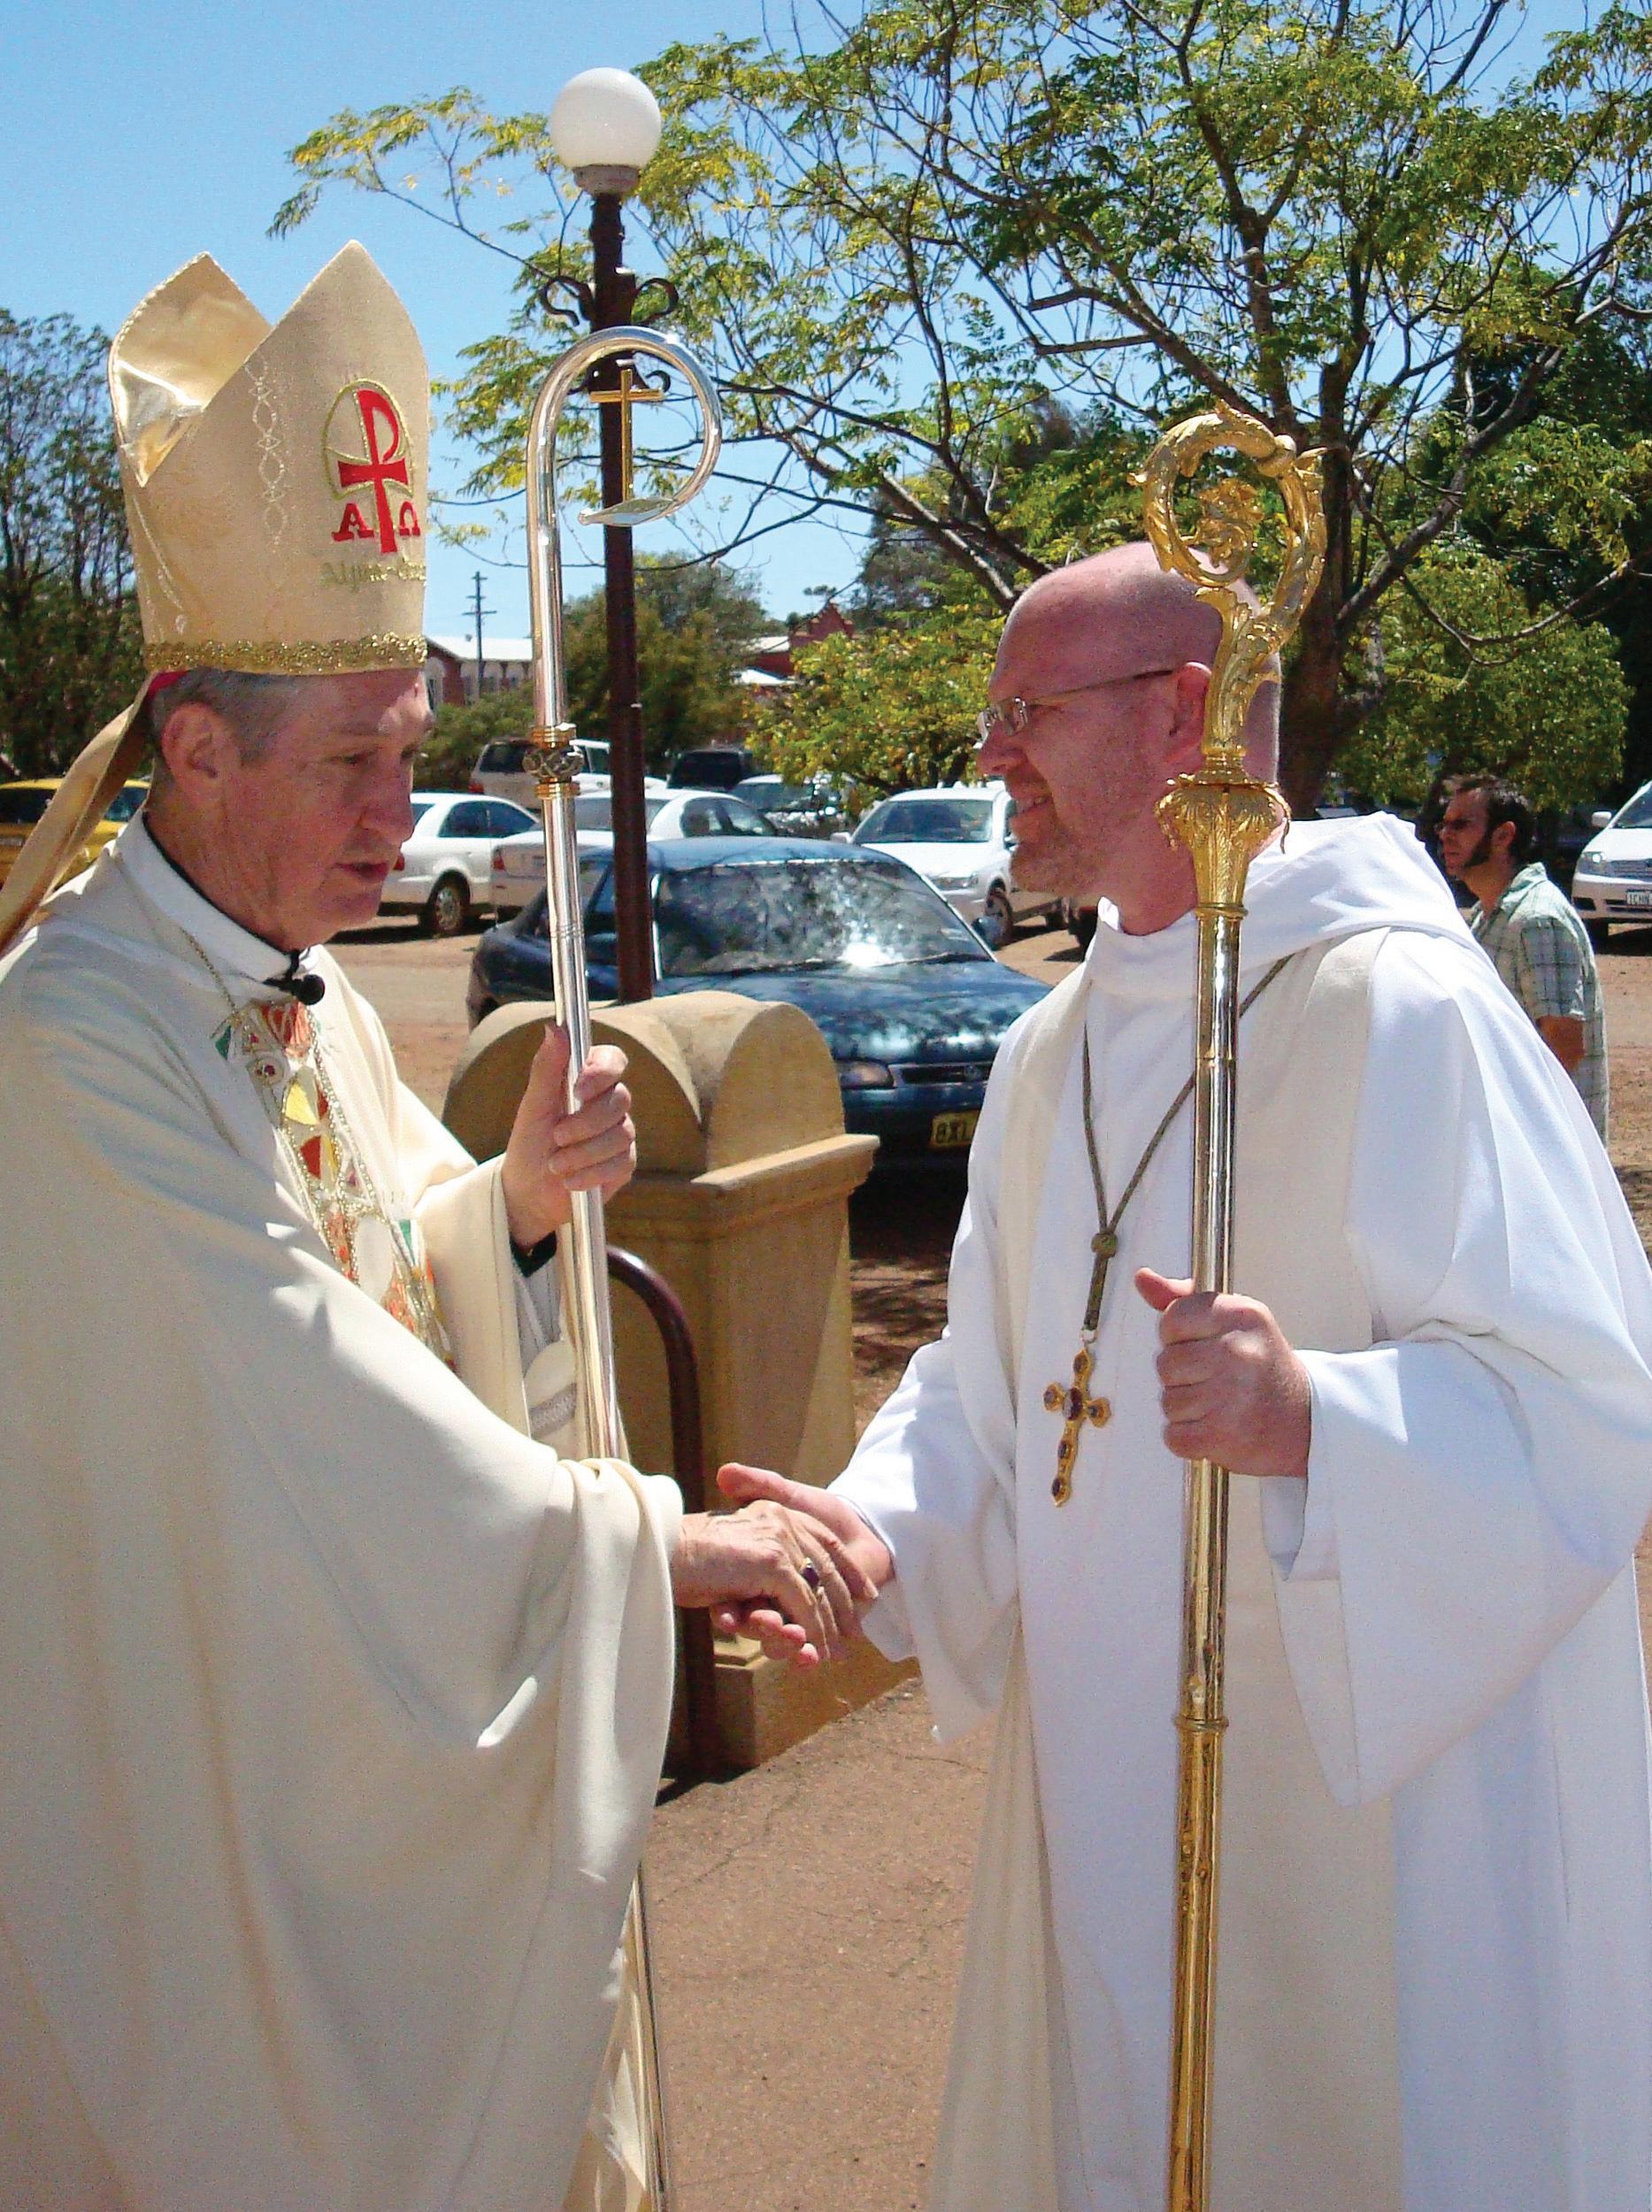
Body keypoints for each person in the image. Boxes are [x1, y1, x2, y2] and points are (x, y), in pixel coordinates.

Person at [0, 244, 863, 2212]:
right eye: (354, 763)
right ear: (193, 750)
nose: (403, 815)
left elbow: (387, 1262)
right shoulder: (70, 1036)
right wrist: (650, 1540)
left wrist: (515, 1205)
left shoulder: (296, 982)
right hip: (193, 1774)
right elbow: (287, 1379)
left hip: (301, 1725)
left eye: (410, 753)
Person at [723, 542, 1652, 2212]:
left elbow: (1584, 1406)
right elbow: (1000, 1385)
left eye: (1027, 712)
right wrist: (872, 1530)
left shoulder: (1400, 1007)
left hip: (1364, 1804)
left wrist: (1320, 1424)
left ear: (1185, 718)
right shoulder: (1049, 1046)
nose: (989, 755)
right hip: (1105, 1771)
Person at [1438, 772, 1608, 1135]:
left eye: (1461, 824)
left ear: (1503, 836)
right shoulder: (1487, 914)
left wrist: (1518, 1132)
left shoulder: (1537, 919)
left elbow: (1564, 1046)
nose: (1446, 835)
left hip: (1544, 1142)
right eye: (1444, 824)